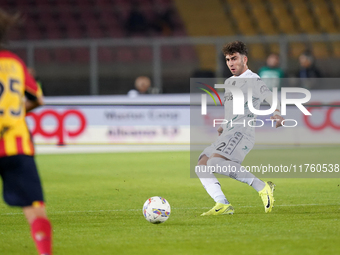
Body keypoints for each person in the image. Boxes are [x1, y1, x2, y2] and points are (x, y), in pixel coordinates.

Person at [196, 41, 284, 216]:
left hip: (242, 132)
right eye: (228, 59)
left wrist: (277, 112)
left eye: (234, 58)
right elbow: (232, 110)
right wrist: (223, 125)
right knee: (202, 165)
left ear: (245, 59)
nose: (230, 63)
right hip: (229, 131)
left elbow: (270, 96)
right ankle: (222, 203)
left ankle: (262, 187)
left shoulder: (253, 79)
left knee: (215, 162)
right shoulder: (229, 82)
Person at [0, 9, 52, 255]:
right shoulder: (13, 62)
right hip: (16, 144)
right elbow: (38, 99)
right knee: (35, 208)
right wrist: (16, 112)